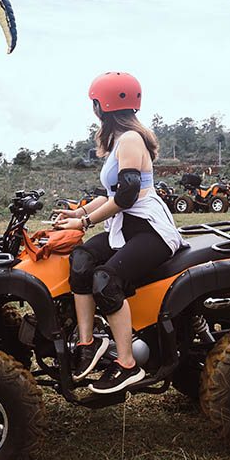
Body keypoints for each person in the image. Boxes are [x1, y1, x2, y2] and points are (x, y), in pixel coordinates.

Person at [54, 72, 186, 394]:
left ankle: (126, 364)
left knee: (106, 280)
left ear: (105, 104)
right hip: (125, 227)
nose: (94, 108)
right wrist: (79, 212)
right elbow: (112, 193)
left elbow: (127, 195)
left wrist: (83, 224)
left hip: (149, 229)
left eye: (95, 102)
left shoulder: (130, 140)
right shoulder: (118, 141)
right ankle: (88, 345)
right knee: (81, 259)